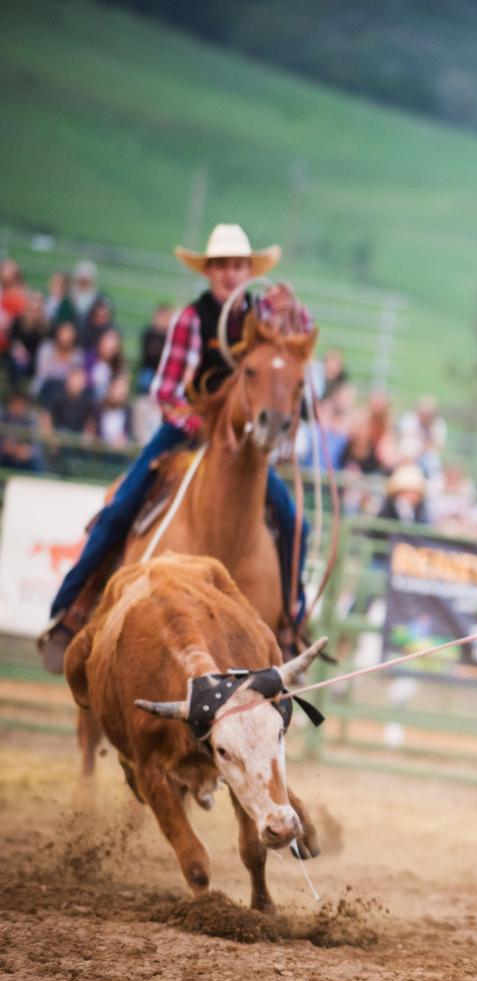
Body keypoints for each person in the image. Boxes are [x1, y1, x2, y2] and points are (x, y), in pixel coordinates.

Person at [37, 223, 310, 672]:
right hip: (188, 429)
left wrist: (294, 311)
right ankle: (72, 609)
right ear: (208, 271)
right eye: (221, 265)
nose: (229, 273)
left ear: (248, 271)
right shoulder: (191, 319)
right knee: (121, 507)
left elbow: (295, 348)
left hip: (243, 442)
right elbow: (165, 390)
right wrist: (204, 424)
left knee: (294, 520)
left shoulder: (263, 319)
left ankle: (291, 623)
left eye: (237, 265)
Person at [136, 302, 173, 394]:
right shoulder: (148, 333)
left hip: (163, 371)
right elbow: (151, 352)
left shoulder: (170, 335)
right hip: (149, 368)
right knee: (145, 383)